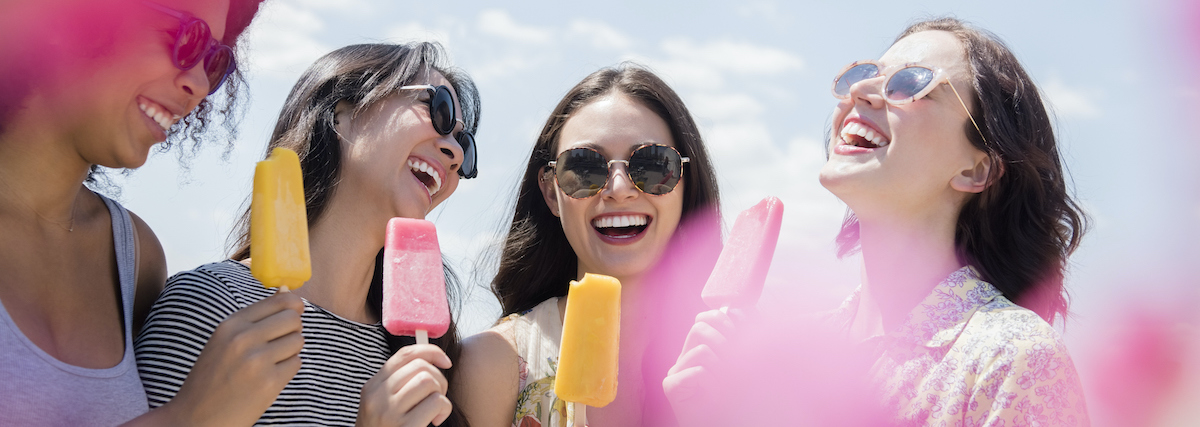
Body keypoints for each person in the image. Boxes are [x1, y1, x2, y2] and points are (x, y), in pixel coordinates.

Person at [665, 17, 1090, 426]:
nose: (861, 91)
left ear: (976, 170)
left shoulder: (1012, 357)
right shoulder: (799, 356)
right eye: (863, 75)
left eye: (910, 83)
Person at [135, 42, 480, 426]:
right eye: (440, 111)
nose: (456, 154)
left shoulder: (423, 352)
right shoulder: (212, 306)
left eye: (465, 144)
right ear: (343, 112)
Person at [0, 0, 303, 425]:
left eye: (215, 62)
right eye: (184, 38)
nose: (199, 84)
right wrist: (192, 416)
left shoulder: (135, 257)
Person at [454, 63, 721, 427]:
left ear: (685, 183)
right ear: (551, 191)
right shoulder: (493, 363)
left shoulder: (734, 360)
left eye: (653, 164)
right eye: (584, 167)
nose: (619, 188)